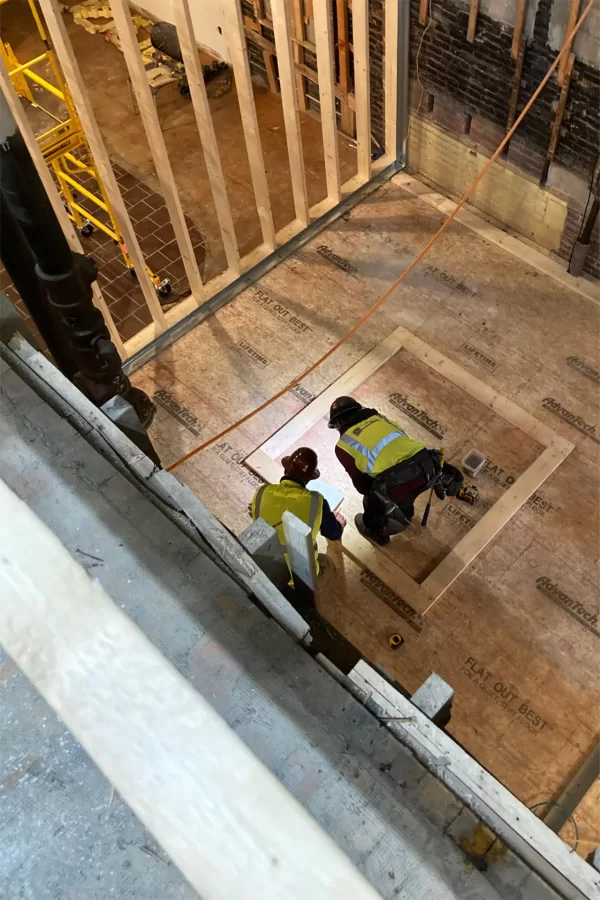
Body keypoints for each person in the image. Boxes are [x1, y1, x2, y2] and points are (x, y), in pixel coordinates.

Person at [328, 396, 463, 545]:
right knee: (398, 487)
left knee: (372, 498)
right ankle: (406, 502)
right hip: (428, 465)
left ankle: (378, 531)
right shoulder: (381, 419)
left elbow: (362, 487)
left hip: (399, 485)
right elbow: (404, 443)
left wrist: (379, 490)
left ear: (338, 424)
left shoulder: (343, 446)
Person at [251, 447, 346, 581]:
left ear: (286, 469)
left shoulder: (261, 492)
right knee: (326, 563)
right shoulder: (316, 501)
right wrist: (338, 524)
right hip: (298, 577)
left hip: (262, 568)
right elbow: (333, 533)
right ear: (309, 478)